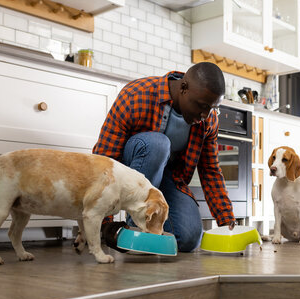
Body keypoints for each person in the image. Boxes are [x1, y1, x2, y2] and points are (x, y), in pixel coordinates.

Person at [93, 62, 236, 252]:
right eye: (202, 106)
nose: (205, 115)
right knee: (158, 145)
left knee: (188, 240)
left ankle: (152, 232)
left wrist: (228, 223)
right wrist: (103, 224)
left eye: (212, 108)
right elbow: (105, 159)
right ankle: (137, 230)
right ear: (184, 88)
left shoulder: (208, 120)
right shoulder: (135, 95)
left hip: (169, 179)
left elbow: (210, 171)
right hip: (130, 170)